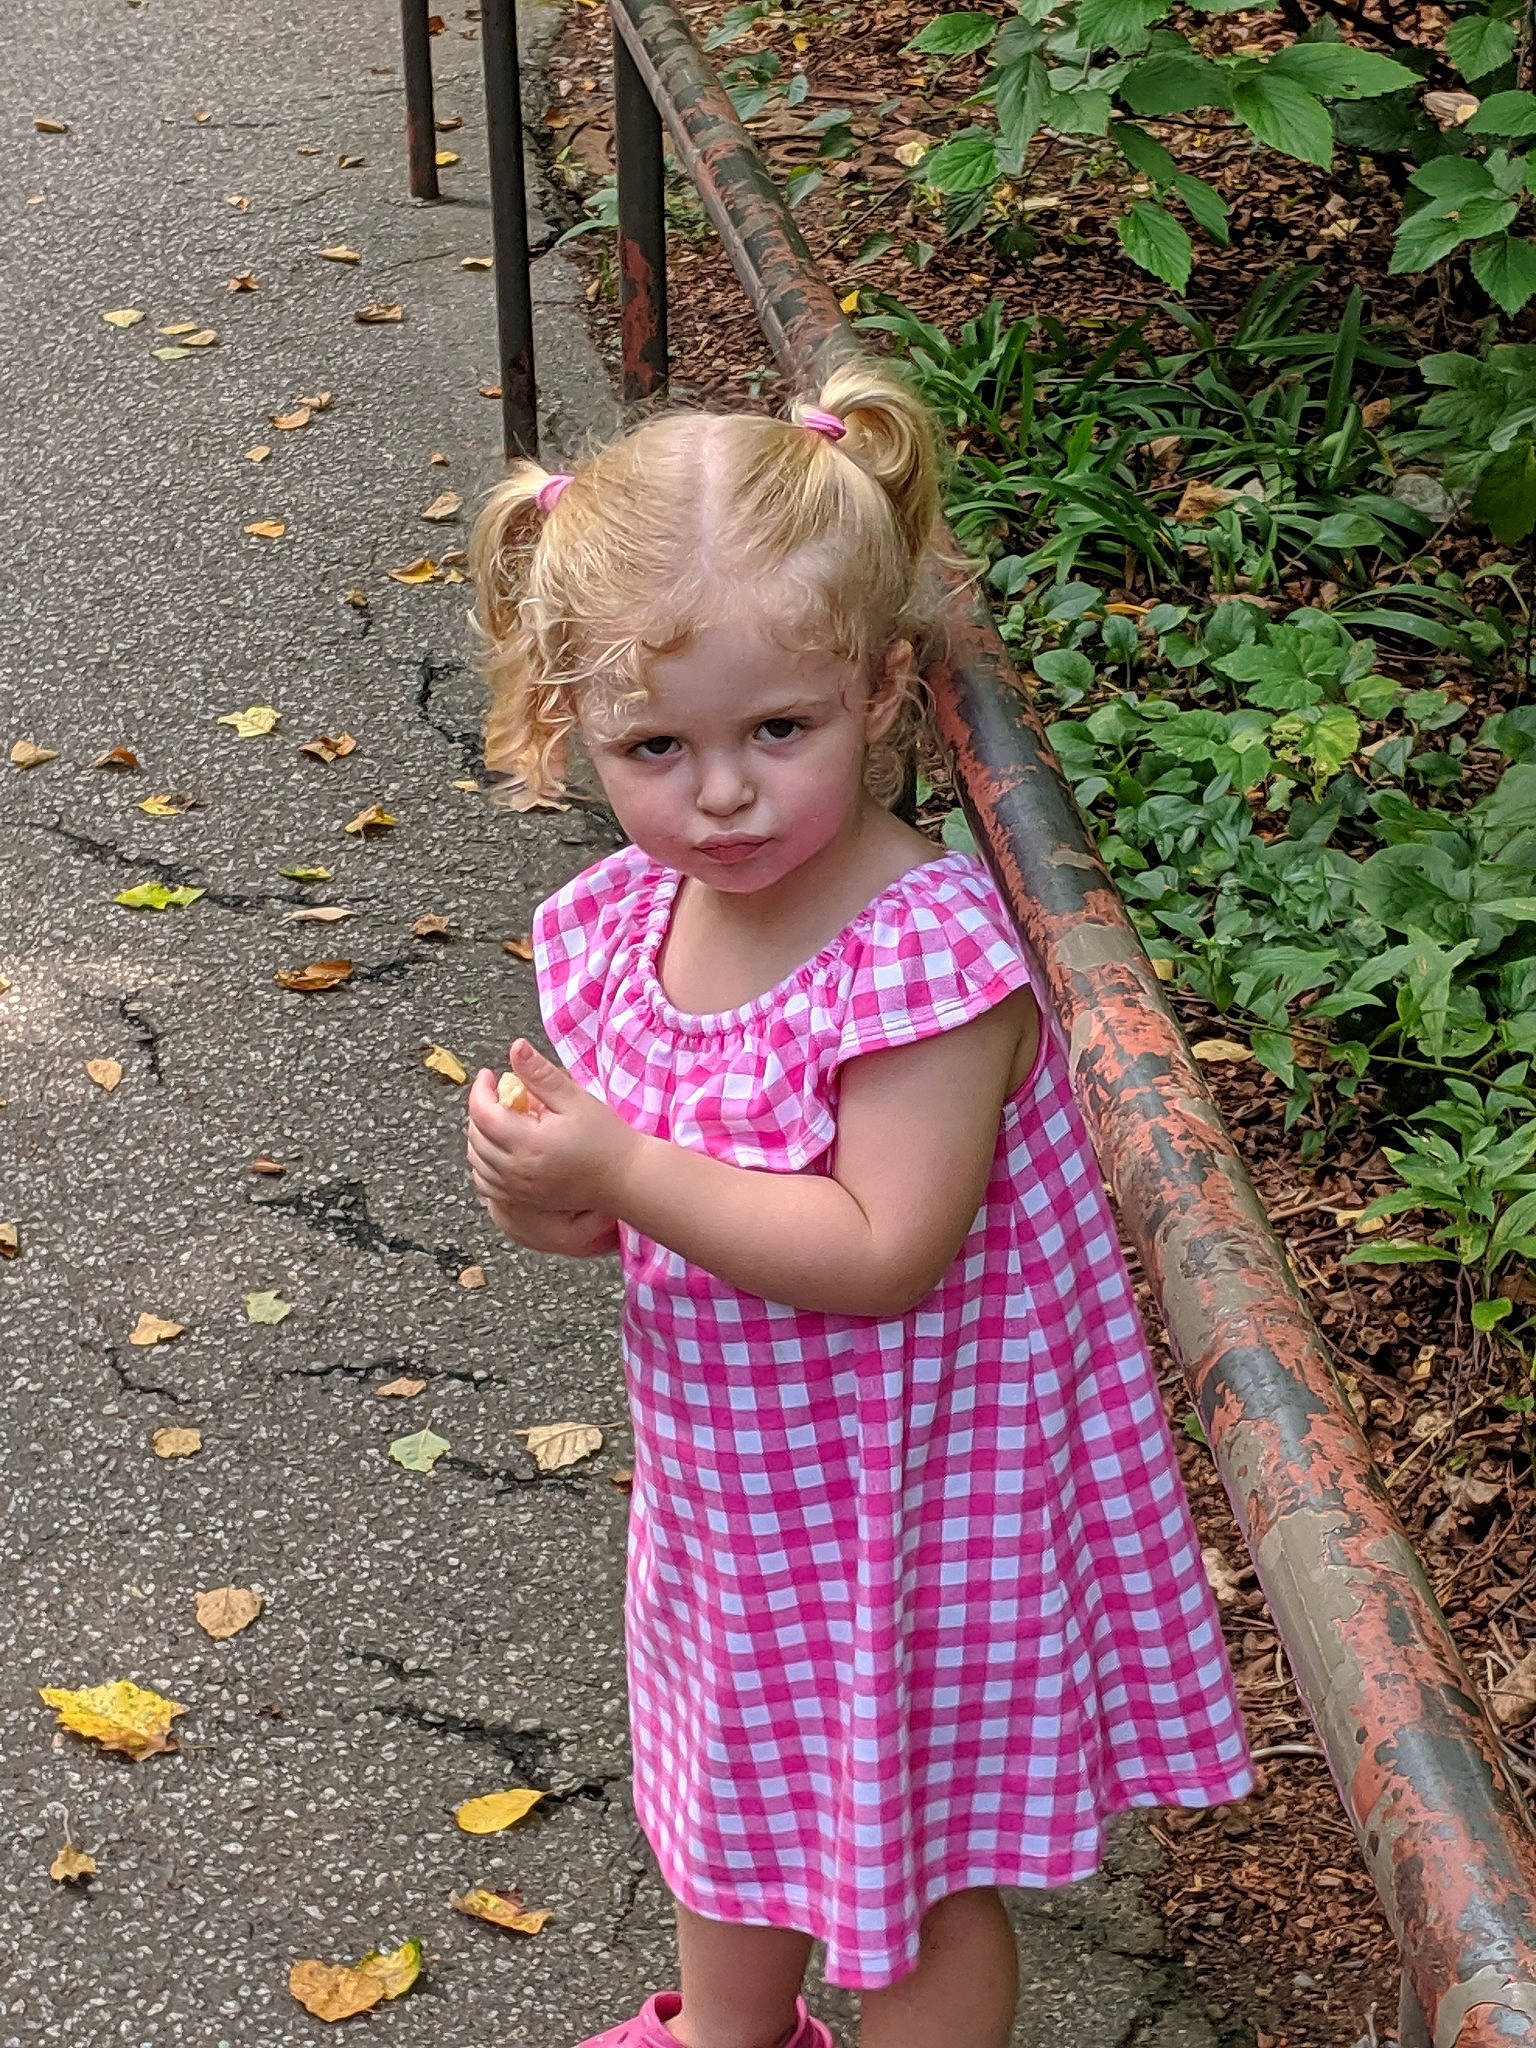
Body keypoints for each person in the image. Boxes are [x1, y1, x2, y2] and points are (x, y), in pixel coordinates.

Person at [462, 363, 1254, 2048]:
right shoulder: (629, 921)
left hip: (911, 1514)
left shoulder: (921, 959)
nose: (722, 793)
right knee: (726, 1791)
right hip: (736, 1497)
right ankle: (730, 2030)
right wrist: (554, 1192)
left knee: (913, 1884)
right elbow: (628, 1216)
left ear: (883, 689)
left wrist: (624, 1168)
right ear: (570, 727)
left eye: (777, 731)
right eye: (654, 748)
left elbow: (886, 1251)